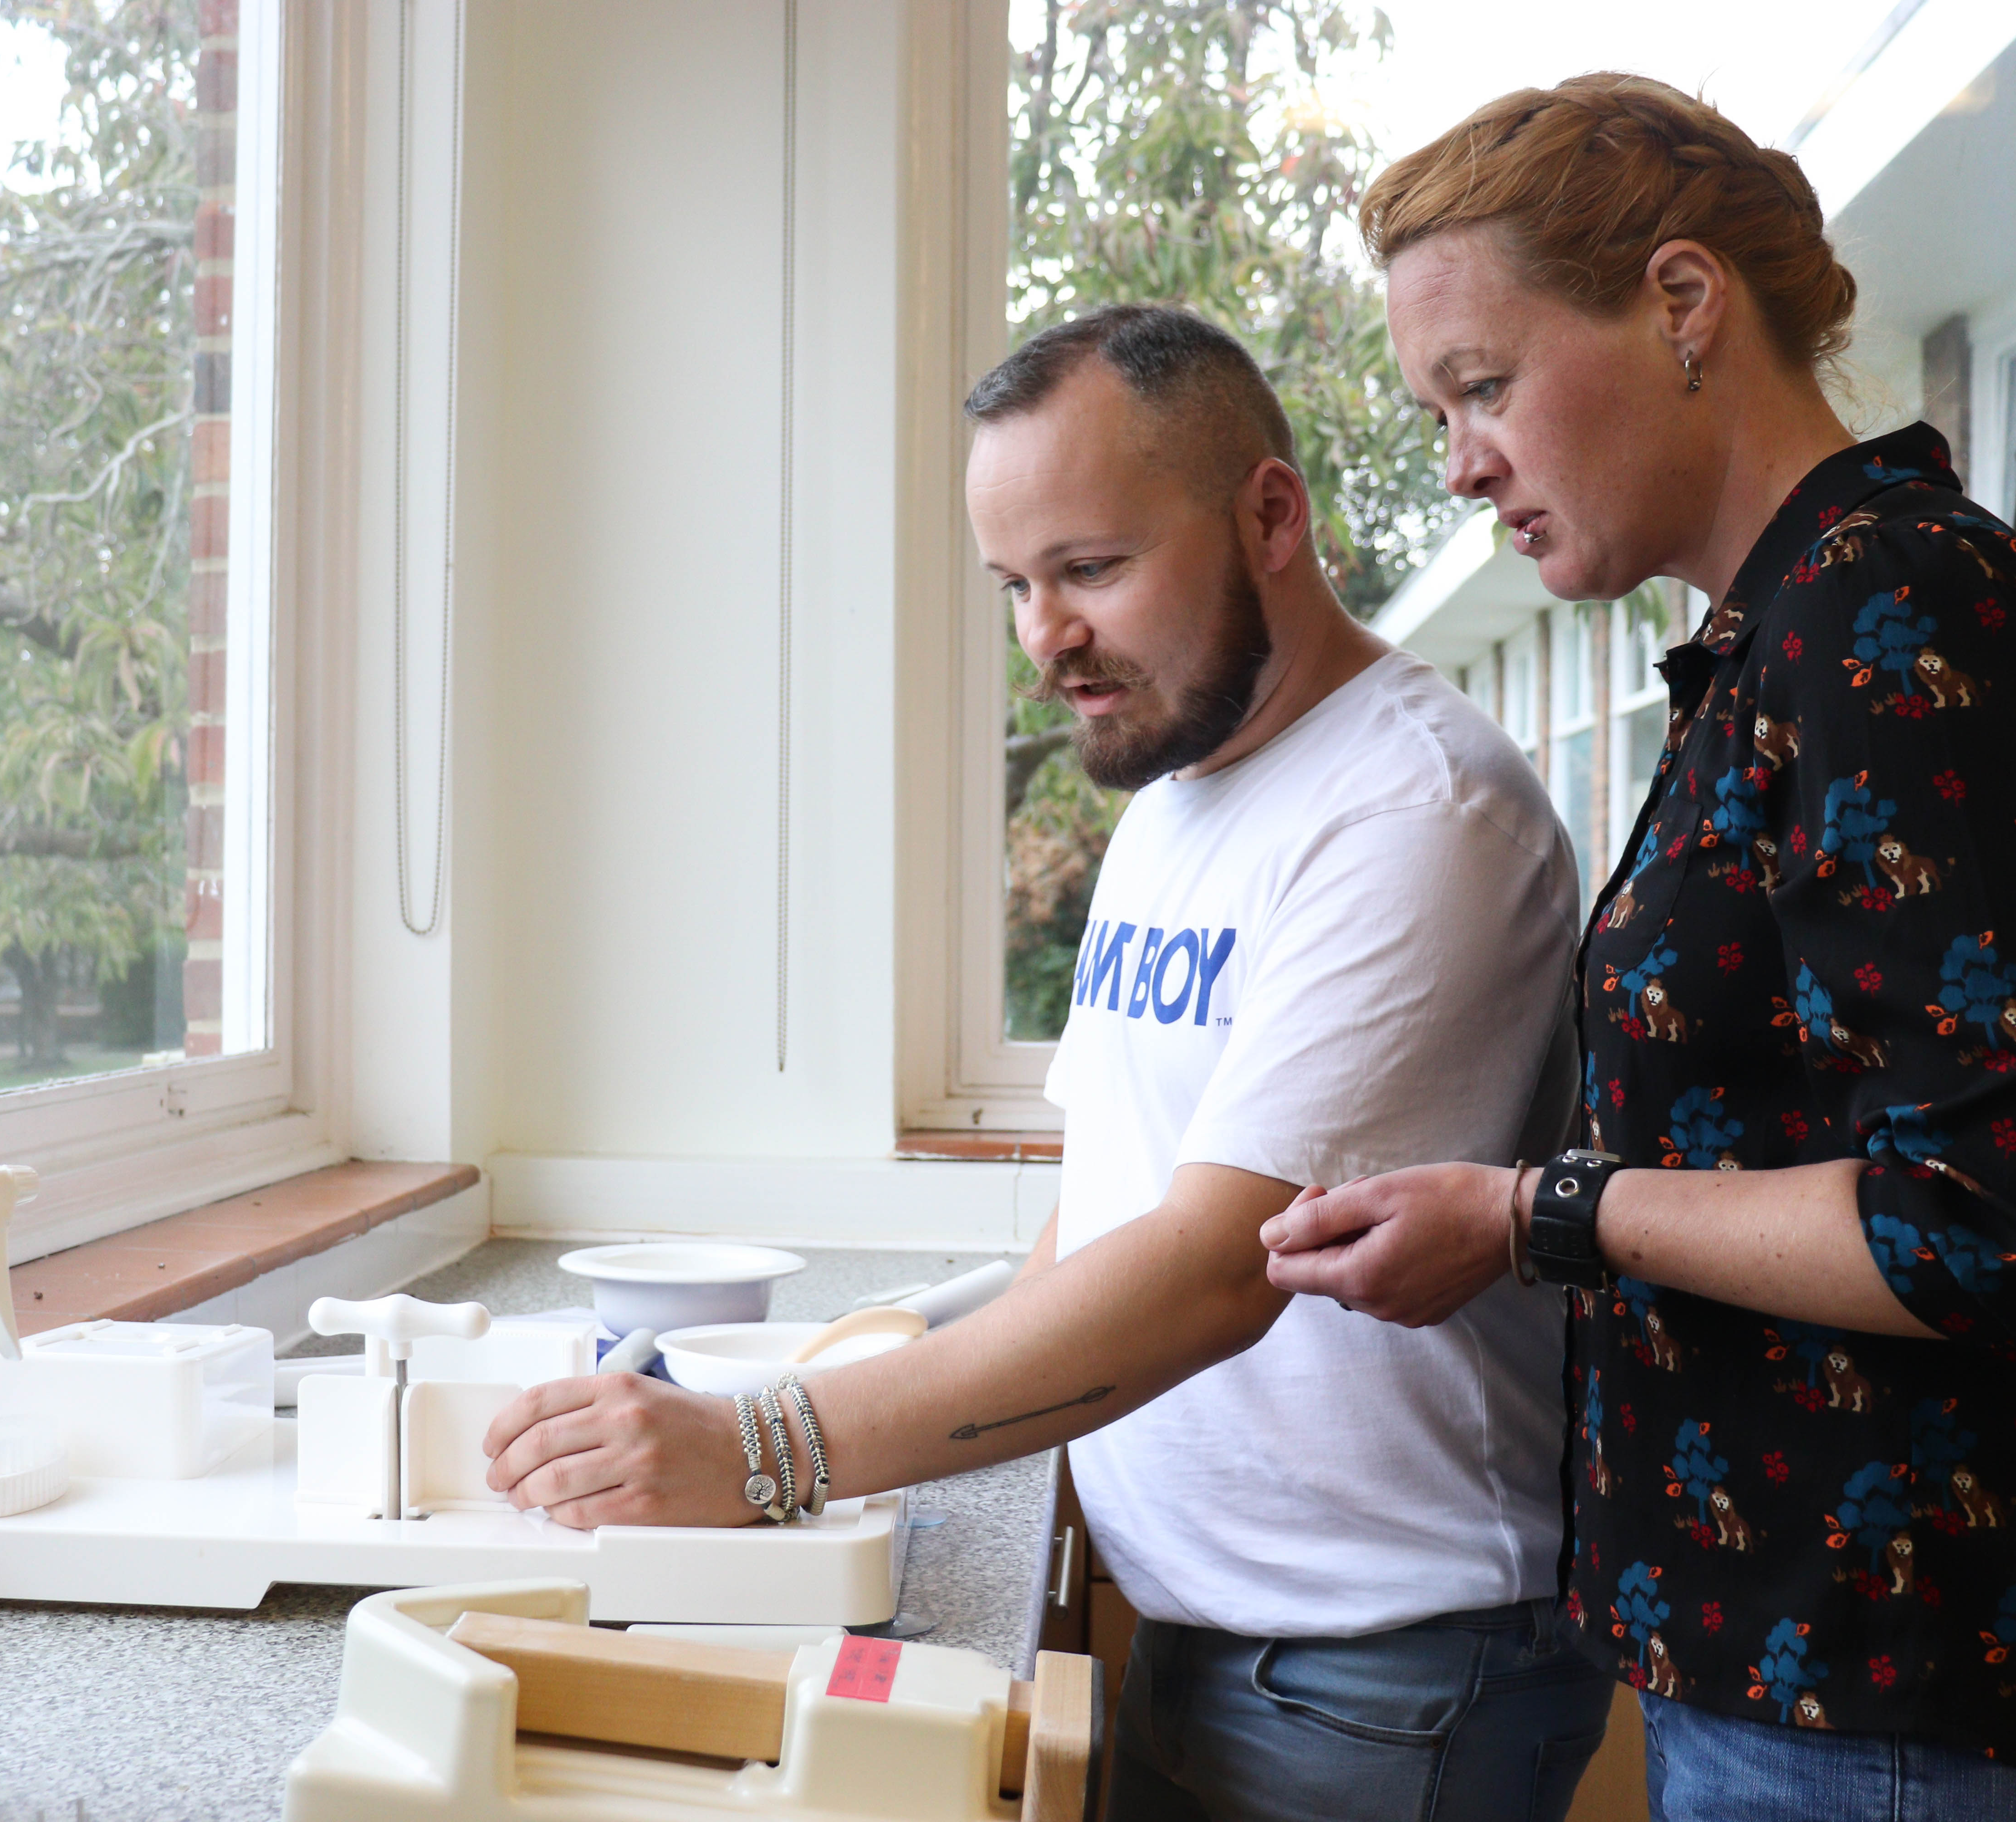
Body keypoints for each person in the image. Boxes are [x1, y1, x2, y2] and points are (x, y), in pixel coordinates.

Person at [481, 303, 1613, 1818]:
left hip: (1385, 1671)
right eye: (1015, 583)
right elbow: (1118, 1201)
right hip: (1223, 1636)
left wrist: (766, 1448)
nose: (1044, 637)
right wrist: (899, 1338)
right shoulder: (1175, 802)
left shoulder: (1414, 812)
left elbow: (1222, 1266)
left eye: (1090, 569)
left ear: (1272, 514)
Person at [1259, 73, 2016, 1818]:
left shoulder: (1894, 610)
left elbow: (2006, 1218)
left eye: (1484, 386)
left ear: (1685, 305)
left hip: (1922, 1710)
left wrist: (1531, 1212)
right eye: (1439, 409)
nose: (1463, 459)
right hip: (1830, 1687)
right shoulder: (1787, 633)